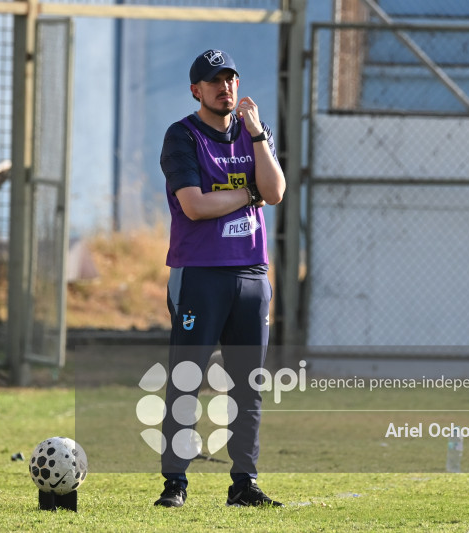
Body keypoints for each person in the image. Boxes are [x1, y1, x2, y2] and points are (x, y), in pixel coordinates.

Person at [154, 49, 286, 508]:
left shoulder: (253, 135)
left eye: (229, 78)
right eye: (214, 81)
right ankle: (175, 483)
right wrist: (247, 192)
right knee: (187, 378)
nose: (224, 87)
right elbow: (194, 205)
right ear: (197, 90)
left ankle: (244, 483)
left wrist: (258, 136)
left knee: (248, 384)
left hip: (251, 273)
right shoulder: (182, 136)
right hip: (199, 275)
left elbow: (277, 191)